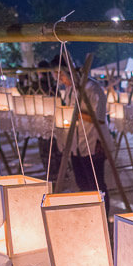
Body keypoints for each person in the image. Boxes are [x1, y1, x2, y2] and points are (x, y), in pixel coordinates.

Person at [53, 55, 111, 213]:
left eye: (61, 75)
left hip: (93, 142)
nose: (60, 79)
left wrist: (73, 114)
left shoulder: (92, 88)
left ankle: (103, 216)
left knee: (97, 184)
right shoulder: (70, 89)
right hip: (75, 144)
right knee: (82, 182)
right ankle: (90, 214)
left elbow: (98, 119)